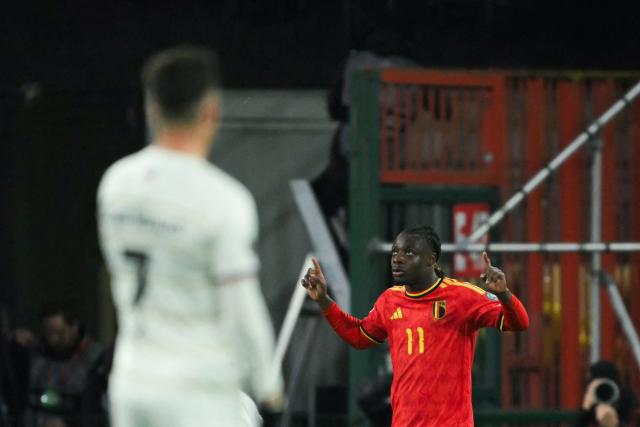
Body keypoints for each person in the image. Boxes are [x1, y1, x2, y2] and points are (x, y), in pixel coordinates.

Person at [97, 45, 283, 427]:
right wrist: (269, 387)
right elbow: (241, 309)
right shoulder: (222, 199)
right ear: (211, 110)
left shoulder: (116, 184)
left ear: (151, 107)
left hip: (131, 383)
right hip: (196, 390)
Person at [302, 226, 529, 427]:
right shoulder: (389, 300)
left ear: (431, 259)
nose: (397, 258)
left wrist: (504, 295)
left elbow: (518, 322)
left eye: (408, 253)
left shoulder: (462, 296)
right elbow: (359, 336)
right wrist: (324, 300)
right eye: (395, 252)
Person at [8, 301, 107, 427]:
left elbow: (99, 414)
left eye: (60, 333)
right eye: (48, 333)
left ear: (74, 326)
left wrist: (69, 423)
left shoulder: (96, 359)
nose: (53, 340)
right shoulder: (36, 352)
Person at [576, 360, 640, 427]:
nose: (603, 393)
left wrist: (615, 424)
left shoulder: (629, 407)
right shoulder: (591, 412)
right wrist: (586, 411)